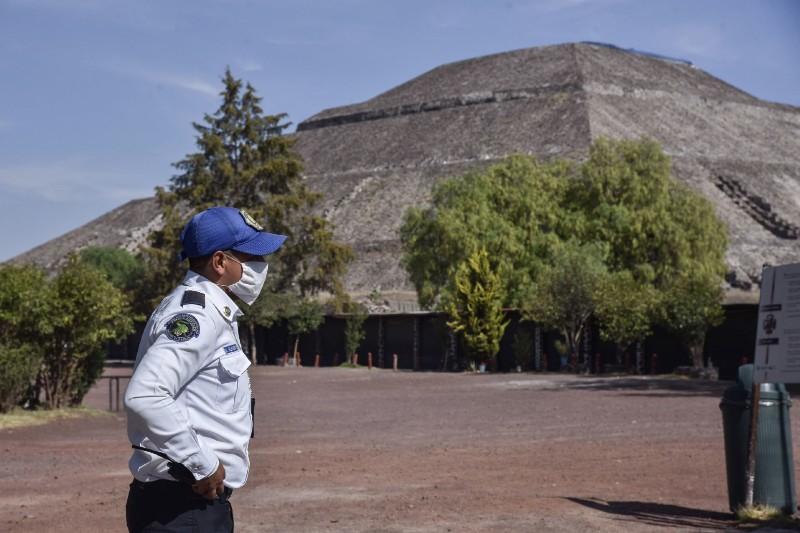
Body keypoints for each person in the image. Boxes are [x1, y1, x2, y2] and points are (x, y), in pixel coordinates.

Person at [124, 206, 286, 533]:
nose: (260, 266)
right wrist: (204, 464)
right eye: (251, 256)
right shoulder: (196, 317)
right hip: (182, 507)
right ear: (220, 261)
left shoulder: (209, 309)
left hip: (189, 505)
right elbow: (145, 395)